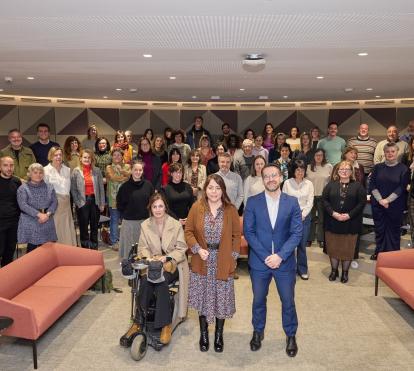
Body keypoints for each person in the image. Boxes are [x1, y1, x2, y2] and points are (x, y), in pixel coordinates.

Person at [243, 163, 302, 357]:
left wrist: (280, 256)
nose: (270, 179)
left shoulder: (292, 202)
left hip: (284, 263)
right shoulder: (252, 202)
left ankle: (291, 335)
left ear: (281, 177)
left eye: (274, 175)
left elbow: (296, 233)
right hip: (260, 263)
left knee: (288, 301)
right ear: (262, 179)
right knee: (259, 300)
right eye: (266, 176)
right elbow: (249, 233)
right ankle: (257, 332)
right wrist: (266, 256)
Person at [185, 174, 241, 353]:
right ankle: (203, 334)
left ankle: (218, 335)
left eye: (218, 188)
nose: (214, 191)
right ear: (205, 189)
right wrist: (197, 249)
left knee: (221, 299)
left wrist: (232, 257)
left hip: (223, 259)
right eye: (211, 188)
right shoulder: (196, 207)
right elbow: (188, 232)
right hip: (202, 259)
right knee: (203, 298)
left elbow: (236, 235)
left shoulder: (230, 209)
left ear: (223, 190)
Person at [135, 192, 189, 344]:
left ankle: (165, 325)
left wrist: (167, 257)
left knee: (162, 281)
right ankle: (139, 321)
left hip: (172, 264)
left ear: (165, 207)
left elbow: (181, 248)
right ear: (150, 208)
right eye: (154, 207)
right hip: (153, 264)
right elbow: (142, 248)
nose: (158, 209)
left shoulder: (175, 224)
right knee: (145, 281)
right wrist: (150, 258)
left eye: (160, 206)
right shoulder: (145, 225)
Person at [322, 161, 366, 283]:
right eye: (342, 169)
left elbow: (361, 203)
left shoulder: (358, 186)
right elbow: (325, 201)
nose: (344, 171)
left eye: (347, 169)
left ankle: (345, 273)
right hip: (333, 223)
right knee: (334, 248)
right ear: (338, 171)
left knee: (347, 250)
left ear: (351, 172)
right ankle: (334, 270)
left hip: (350, 224)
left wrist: (349, 215)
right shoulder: (330, 185)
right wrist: (334, 213)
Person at [369, 142, 409, 260]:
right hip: (378, 204)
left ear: (397, 153)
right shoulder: (377, 167)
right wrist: (381, 200)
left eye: (393, 151)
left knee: (394, 230)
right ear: (384, 153)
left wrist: (387, 200)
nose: (390, 154)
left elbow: (402, 187)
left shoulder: (403, 168)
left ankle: (393, 255)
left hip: (395, 205)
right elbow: (372, 185)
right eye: (387, 151)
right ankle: (379, 252)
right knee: (380, 229)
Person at [282, 160, 314, 280]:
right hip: (289, 218)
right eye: (297, 170)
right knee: (289, 244)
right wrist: (293, 215)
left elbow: (310, 202)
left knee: (301, 245)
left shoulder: (309, 184)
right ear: (293, 171)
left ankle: (302, 269)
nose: (300, 172)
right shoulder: (287, 183)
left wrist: (302, 215)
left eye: (302, 170)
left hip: (304, 218)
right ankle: (289, 269)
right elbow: (284, 200)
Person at [116, 161, 154, 259]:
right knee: (129, 252)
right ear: (131, 171)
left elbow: (152, 203)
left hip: (145, 222)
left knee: (144, 251)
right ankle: (129, 271)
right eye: (135, 170)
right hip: (129, 223)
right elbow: (120, 205)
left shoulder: (148, 185)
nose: (138, 172)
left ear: (142, 171)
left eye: (140, 170)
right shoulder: (124, 187)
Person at [17, 163, 58, 252]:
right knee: (32, 250)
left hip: (47, 219)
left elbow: (54, 202)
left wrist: (47, 215)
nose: (38, 175)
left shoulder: (49, 186)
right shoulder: (23, 188)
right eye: (35, 172)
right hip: (31, 221)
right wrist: (39, 215)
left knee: (48, 248)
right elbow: (23, 205)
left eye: (40, 172)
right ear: (29, 174)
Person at [71, 149, 105, 249]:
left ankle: (94, 248)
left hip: (95, 201)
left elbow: (101, 188)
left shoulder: (97, 171)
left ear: (92, 159)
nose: (87, 159)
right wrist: (78, 202)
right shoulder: (76, 171)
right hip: (82, 202)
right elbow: (73, 189)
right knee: (83, 227)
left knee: (94, 226)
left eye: (89, 157)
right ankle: (85, 249)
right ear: (80, 158)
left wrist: (102, 203)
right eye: (85, 157)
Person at [44, 147, 77, 246]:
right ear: (51, 156)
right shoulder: (45, 170)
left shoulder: (67, 170)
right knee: (57, 228)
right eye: (55, 155)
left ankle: (68, 252)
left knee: (67, 228)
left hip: (66, 203)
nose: (58, 157)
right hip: (54, 204)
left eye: (60, 155)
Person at [306, 149, 333, 248]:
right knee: (311, 219)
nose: (318, 157)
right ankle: (309, 238)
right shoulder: (309, 167)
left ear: (324, 156)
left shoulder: (329, 167)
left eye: (321, 155)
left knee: (322, 219)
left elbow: (331, 182)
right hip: (311, 197)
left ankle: (321, 239)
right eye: (317, 155)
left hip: (323, 197)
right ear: (314, 156)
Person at [106, 148, 131, 250]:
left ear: (122, 156)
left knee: (126, 220)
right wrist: (124, 176)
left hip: (126, 198)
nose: (117, 157)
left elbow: (130, 176)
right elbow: (112, 177)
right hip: (113, 198)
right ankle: (114, 241)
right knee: (114, 220)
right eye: (115, 155)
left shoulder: (127, 166)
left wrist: (122, 172)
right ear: (112, 156)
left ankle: (126, 240)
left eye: (119, 155)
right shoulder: (108, 167)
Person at [0, 156, 21, 266]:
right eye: (5, 165)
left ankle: (5, 277)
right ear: (0, 167)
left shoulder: (17, 181)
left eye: (11, 165)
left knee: (10, 250)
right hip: (0, 222)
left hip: (14, 222)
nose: (9, 168)